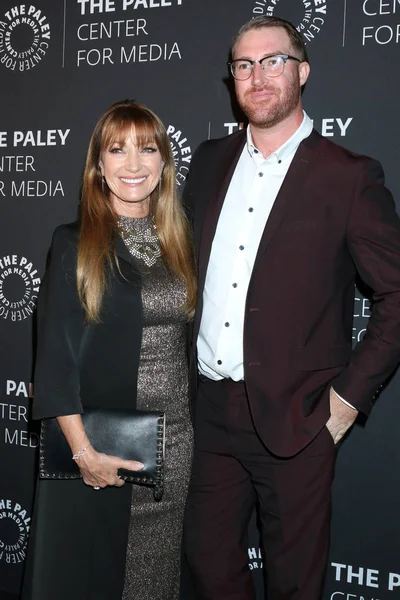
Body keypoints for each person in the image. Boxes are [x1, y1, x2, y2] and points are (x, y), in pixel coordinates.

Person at [183, 16, 400, 600]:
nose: (257, 76)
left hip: (301, 417)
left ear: (302, 71)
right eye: (244, 65)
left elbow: (396, 295)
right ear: (231, 79)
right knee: (206, 561)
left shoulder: (348, 178)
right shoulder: (205, 164)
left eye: (272, 61)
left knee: (295, 581)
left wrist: (347, 401)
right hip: (210, 410)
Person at [21, 99, 196, 600]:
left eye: (147, 149)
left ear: (165, 162)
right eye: (117, 150)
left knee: (157, 578)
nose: (134, 165)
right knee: (93, 577)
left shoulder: (179, 241)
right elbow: (55, 361)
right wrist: (83, 452)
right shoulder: (75, 243)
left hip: (176, 442)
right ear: (99, 166)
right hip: (104, 445)